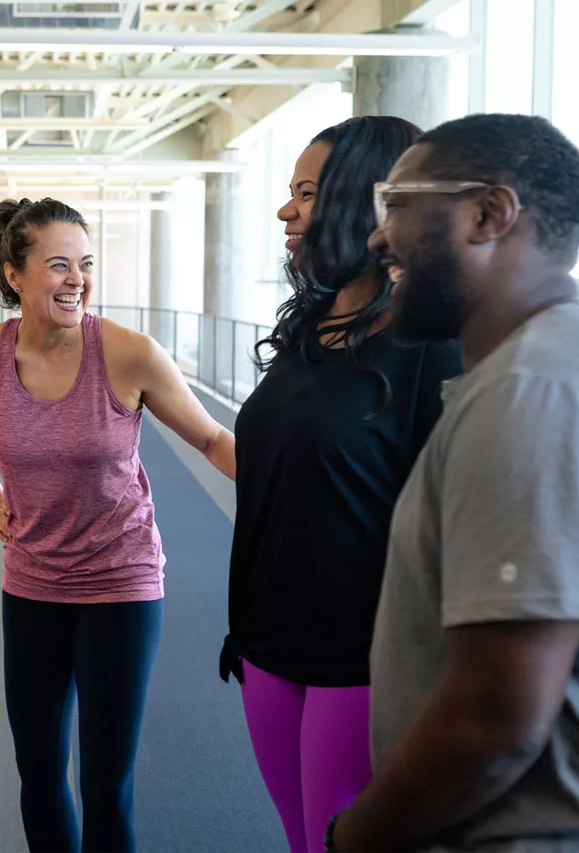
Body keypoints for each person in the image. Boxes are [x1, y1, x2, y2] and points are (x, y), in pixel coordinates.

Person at [0, 197, 235, 853]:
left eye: (86, 264)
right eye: (58, 265)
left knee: (107, 784)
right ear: (14, 275)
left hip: (121, 586)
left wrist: (296, 486)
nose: (77, 278)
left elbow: (213, 439)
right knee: (40, 773)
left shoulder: (130, 355)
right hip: (33, 585)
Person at [326, 114, 579, 851]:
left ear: (489, 213)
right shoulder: (532, 371)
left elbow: (495, 714)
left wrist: (358, 835)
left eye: (396, 203)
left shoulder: (528, 390)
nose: (378, 236)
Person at [219, 116, 463, 852]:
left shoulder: (430, 342)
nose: (287, 210)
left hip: (359, 656)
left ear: (367, 200)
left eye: (306, 193)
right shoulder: (307, 327)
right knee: (299, 840)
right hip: (266, 640)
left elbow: (450, 518)